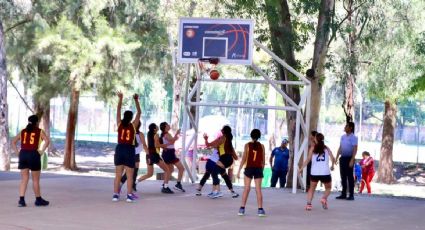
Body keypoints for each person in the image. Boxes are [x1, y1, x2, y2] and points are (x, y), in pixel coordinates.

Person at [12, 115, 51, 207]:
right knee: (35, 180)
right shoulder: (39, 131)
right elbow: (47, 141)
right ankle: (38, 200)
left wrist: (18, 153)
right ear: (37, 122)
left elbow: (13, 142)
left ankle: (21, 201)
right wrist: (41, 151)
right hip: (33, 154)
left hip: (23, 154)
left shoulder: (23, 131)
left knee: (24, 179)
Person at [196, 125, 239, 198]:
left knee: (214, 173)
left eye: (222, 130)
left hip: (224, 159)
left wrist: (209, 143)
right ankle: (232, 192)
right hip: (227, 160)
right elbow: (235, 156)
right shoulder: (228, 141)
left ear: (223, 131)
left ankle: (216, 191)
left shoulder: (222, 138)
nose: (221, 130)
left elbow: (210, 145)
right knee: (223, 175)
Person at [112, 92, 141, 202]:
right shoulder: (133, 126)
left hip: (119, 148)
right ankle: (129, 195)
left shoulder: (119, 123)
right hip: (129, 149)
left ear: (124, 116)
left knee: (118, 174)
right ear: (131, 118)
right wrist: (136, 100)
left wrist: (120, 99)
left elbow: (118, 110)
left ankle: (115, 195)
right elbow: (139, 112)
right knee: (130, 175)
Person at [299, 133, 335, 211]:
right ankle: (324, 198)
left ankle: (309, 205)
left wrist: (301, 168)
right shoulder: (326, 148)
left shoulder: (312, 148)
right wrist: (332, 165)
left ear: (316, 139)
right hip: (325, 172)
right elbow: (333, 158)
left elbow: (308, 160)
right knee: (328, 188)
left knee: (311, 189)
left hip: (314, 172)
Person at [136, 123, 174, 194]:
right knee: (167, 170)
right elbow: (156, 145)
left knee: (149, 174)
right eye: (156, 126)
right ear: (154, 129)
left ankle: (135, 182)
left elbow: (153, 145)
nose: (157, 127)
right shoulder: (156, 134)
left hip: (149, 155)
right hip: (154, 155)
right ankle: (165, 187)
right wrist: (165, 145)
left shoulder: (148, 133)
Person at [237, 129, 266, 217]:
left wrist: (239, 170)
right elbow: (263, 161)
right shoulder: (262, 146)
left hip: (249, 168)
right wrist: (262, 170)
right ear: (259, 136)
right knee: (258, 189)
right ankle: (260, 210)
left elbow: (244, 159)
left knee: (246, 188)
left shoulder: (247, 145)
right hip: (258, 169)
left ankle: (242, 209)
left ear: (251, 136)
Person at [120, 121, 148, 193]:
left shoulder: (129, 132)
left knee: (131, 170)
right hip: (134, 153)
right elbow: (144, 145)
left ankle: (126, 185)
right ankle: (129, 186)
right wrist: (148, 154)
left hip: (129, 153)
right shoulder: (139, 134)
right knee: (134, 171)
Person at [159, 122, 185, 192]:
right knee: (181, 168)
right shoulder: (166, 134)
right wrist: (177, 133)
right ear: (165, 127)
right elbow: (172, 141)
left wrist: (176, 136)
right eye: (167, 125)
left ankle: (165, 184)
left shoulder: (165, 134)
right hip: (169, 154)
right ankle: (177, 184)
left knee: (170, 170)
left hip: (168, 153)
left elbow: (172, 141)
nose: (169, 125)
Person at [335, 121, 358, 200]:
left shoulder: (354, 137)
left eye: (346, 126)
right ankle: (343, 194)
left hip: (349, 158)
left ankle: (351, 195)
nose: (345, 128)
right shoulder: (343, 137)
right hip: (343, 158)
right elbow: (340, 147)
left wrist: (352, 159)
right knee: (343, 177)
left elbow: (355, 149)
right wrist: (337, 157)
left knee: (350, 177)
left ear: (350, 128)